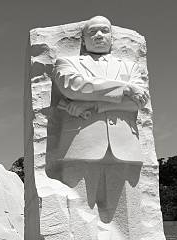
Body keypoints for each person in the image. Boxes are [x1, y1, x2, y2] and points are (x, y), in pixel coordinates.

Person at [49, 16, 148, 215]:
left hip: (125, 146)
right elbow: (74, 87)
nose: (99, 35)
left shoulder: (131, 67)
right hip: (80, 144)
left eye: (104, 30)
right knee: (78, 214)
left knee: (129, 220)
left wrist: (94, 104)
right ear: (83, 40)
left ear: (112, 37)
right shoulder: (66, 63)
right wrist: (125, 87)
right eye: (92, 32)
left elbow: (138, 101)